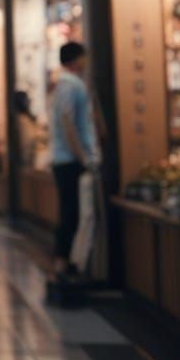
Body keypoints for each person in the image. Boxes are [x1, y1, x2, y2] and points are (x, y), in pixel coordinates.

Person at [50, 42, 101, 280]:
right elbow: (68, 122)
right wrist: (82, 157)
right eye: (84, 57)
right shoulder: (72, 86)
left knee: (70, 213)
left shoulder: (64, 85)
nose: (86, 61)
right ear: (75, 60)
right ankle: (65, 266)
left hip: (64, 159)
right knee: (72, 214)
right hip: (71, 160)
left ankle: (64, 264)